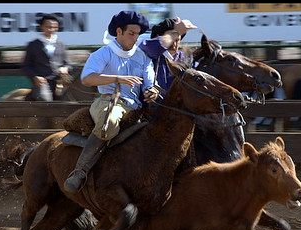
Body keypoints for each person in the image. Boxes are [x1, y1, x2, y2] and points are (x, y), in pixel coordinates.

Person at [63, 10, 157, 193]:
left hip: (135, 106)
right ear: (119, 31)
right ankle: (79, 172)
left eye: (138, 34)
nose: (136, 38)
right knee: (110, 123)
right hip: (108, 102)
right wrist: (118, 79)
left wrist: (151, 91)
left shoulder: (143, 57)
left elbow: (149, 83)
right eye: (131, 34)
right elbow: (87, 79)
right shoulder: (102, 54)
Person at [138, 17, 197, 93]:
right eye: (171, 38)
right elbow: (148, 47)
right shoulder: (148, 53)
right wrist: (177, 31)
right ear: (157, 37)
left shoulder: (186, 59)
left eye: (177, 40)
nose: (174, 44)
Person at [22, 14, 71, 101]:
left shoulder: (61, 44)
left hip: (59, 81)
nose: (51, 30)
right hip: (43, 81)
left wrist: (65, 68)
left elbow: (67, 63)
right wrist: (35, 76)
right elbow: (26, 65)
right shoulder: (33, 45)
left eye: (54, 27)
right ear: (41, 27)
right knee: (45, 99)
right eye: (48, 27)